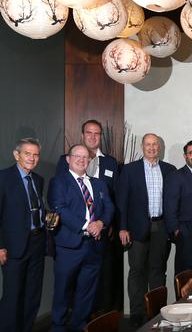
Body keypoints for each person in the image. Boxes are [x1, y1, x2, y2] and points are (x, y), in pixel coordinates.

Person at [55, 119, 120, 313]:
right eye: (89, 133)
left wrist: (104, 224)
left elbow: (113, 198)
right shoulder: (64, 161)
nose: (93, 137)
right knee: (69, 285)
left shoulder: (110, 162)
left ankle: (97, 318)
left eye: (97, 133)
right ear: (82, 135)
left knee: (98, 280)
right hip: (74, 234)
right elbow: (62, 198)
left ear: (101, 136)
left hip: (102, 232)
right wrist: (87, 225)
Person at [48, 145, 114, 332]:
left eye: (85, 157)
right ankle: (58, 327)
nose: (81, 159)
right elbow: (59, 209)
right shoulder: (59, 182)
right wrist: (87, 225)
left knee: (87, 291)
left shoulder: (99, 184)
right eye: (77, 156)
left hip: (94, 246)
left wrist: (101, 223)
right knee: (62, 290)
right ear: (68, 159)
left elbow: (109, 208)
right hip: (69, 246)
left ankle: (80, 325)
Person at [116, 133, 176, 327]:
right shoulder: (129, 170)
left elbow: (173, 201)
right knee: (137, 271)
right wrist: (123, 227)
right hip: (136, 227)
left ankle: (156, 313)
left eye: (155, 145)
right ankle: (136, 314)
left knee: (157, 271)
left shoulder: (169, 170)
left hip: (161, 226)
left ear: (159, 147)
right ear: (142, 147)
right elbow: (122, 202)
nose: (151, 148)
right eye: (148, 144)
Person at [0, 138, 54, 332]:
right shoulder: (3, 178)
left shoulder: (37, 180)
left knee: (32, 296)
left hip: (37, 243)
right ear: (17, 155)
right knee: (12, 297)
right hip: (14, 247)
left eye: (36, 154)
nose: (32, 158)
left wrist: (47, 216)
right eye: (27, 153)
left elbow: (33, 208)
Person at [163, 139, 192, 276]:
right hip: (186, 234)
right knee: (185, 274)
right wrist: (177, 231)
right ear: (185, 156)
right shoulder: (176, 177)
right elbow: (169, 207)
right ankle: (182, 298)